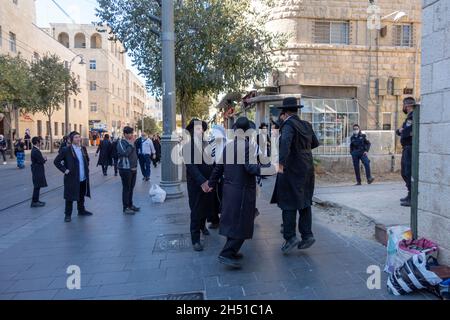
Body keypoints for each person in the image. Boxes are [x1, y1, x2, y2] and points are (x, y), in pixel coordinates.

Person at [207, 117, 272, 269]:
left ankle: (233, 251)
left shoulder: (229, 146)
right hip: (242, 191)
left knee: (233, 221)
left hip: (229, 190)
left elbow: (218, 168)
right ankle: (227, 253)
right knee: (242, 223)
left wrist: (211, 183)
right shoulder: (248, 146)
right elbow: (250, 168)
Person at [271, 97, 320, 254]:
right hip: (307, 166)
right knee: (305, 201)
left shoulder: (288, 125)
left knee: (288, 202)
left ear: (284, 112)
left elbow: (285, 143)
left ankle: (290, 237)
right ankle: (307, 235)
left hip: (292, 167)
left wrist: (281, 164)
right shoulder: (306, 124)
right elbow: (315, 143)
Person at [183, 119, 214, 252]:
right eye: (197, 129)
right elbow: (191, 167)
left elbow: (211, 162)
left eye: (201, 129)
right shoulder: (188, 146)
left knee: (206, 207)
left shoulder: (205, 144)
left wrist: (213, 178)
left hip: (208, 182)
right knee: (196, 210)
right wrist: (202, 181)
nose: (200, 131)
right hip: (196, 185)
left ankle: (203, 226)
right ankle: (195, 239)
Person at [54, 131, 93, 223]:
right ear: (71, 139)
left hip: (83, 177)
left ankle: (81, 210)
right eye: (75, 137)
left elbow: (86, 159)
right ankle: (68, 215)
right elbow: (56, 161)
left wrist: (86, 166)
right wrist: (65, 170)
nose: (78, 139)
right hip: (72, 178)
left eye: (79, 137)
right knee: (69, 197)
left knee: (81, 195)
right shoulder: (66, 150)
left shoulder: (83, 148)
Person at [396, 97, 417, 207]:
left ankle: (412, 197)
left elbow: (405, 132)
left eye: (404, 105)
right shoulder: (409, 117)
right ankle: (410, 194)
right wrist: (401, 131)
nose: (403, 107)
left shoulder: (413, 116)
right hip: (407, 148)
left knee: (408, 172)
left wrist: (402, 131)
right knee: (405, 172)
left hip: (410, 147)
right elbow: (399, 131)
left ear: (407, 105)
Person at [207, 124, 228, 229]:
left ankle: (223, 219)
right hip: (214, 172)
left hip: (223, 174)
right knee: (214, 197)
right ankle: (215, 219)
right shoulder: (210, 142)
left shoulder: (227, 143)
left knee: (223, 197)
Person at [117, 127, 140, 215]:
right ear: (125, 134)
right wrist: (130, 144)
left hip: (133, 169)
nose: (132, 135)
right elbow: (125, 153)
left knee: (131, 188)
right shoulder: (121, 143)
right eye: (130, 133)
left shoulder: (132, 142)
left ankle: (130, 205)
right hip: (125, 169)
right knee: (126, 188)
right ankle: (125, 207)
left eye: (132, 133)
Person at [30, 137, 47, 208]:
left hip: (37, 169)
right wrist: (44, 159)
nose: (41, 143)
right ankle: (34, 202)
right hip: (37, 170)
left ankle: (36, 200)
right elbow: (41, 161)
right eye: (40, 141)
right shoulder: (35, 151)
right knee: (37, 186)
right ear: (37, 142)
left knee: (38, 185)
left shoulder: (35, 150)